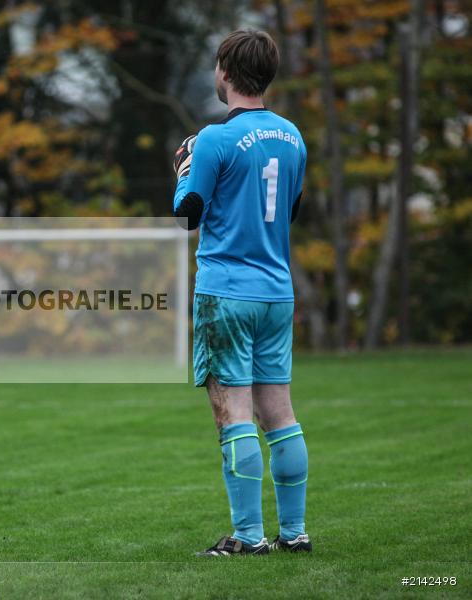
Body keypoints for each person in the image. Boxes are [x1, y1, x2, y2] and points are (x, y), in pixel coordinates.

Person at [172, 29, 311, 556]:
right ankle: (294, 533)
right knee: (280, 414)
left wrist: (183, 169)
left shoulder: (214, 138)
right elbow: (290, 212)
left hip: (227, 292)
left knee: (233, 413)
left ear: (225, 72)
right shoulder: (292, 136)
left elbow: (187, 215)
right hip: (277, 292)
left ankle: (249, 538)